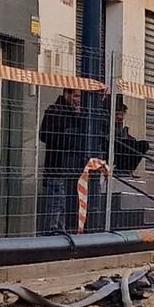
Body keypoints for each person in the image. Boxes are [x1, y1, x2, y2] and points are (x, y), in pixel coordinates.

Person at [37, 88, 87, 234]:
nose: (78, 100)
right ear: (67, 94)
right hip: (57, 165)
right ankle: (51, 234)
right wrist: (70, 139)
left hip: (70, 168)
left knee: (63, 205)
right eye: (76, 96)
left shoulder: (76, 114)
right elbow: (45, 135)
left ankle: (59, 234)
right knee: (55, 204)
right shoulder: (55, 111)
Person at [111, 99, 151, 176]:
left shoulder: (120, 125)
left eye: (122, 114)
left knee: (143, 145)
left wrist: (131, 139)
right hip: (112, 147)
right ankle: (121, 170)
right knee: (130, 145)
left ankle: (127, 170)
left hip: (121, 147)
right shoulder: (108, 123)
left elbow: (123, 136)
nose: (120, 117)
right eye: (118, 114)